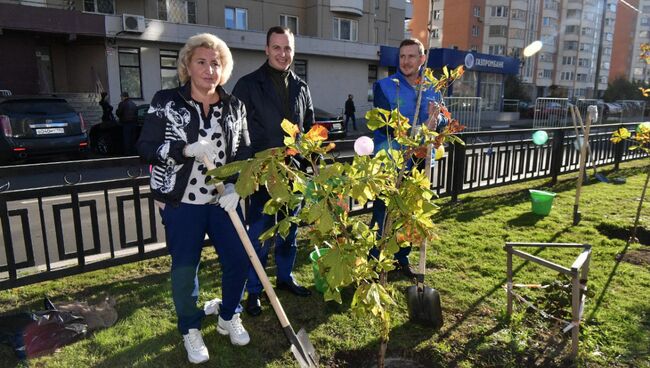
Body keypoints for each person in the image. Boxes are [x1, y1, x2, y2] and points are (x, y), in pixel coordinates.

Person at [137, 33, 252, 364]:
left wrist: (235, 187)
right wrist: (184, 150)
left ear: (223, 68)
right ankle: (190, 328)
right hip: (181, 202)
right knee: (186, 268)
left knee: (239, 259)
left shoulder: (234, 106)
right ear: (187, 65)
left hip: (222, 202)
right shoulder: (166, 101)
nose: (209, 69)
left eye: (215, 63)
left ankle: (228, 316)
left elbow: (244, 152)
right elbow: (145, 146)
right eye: (201, 61)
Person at [232, 26, 315, 317]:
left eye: (288, 48)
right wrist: (248, 172)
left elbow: (308, 131)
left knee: (289, 232)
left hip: (293, 176)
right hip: (261, 175)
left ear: (294, 51)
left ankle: (285, 276)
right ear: (266, 49)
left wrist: (307, 166)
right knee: (260, 235)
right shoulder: (247, 85)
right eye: (277, 48)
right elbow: (237, 134)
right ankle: (254, 290)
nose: (283, 54)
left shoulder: (301, 87)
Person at [369, 38, 447, 279]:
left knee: (409, 213)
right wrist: (419, 129)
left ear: (422, 59)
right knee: (383, 211)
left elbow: (442, 119)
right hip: (391, 159)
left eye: (412, 56)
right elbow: (385, 126)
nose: (406, 61)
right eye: (402, 56)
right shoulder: (385, 86)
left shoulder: (433, 87)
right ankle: (376, 260)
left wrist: (437, 121)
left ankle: (401, 258)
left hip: (420, 159)